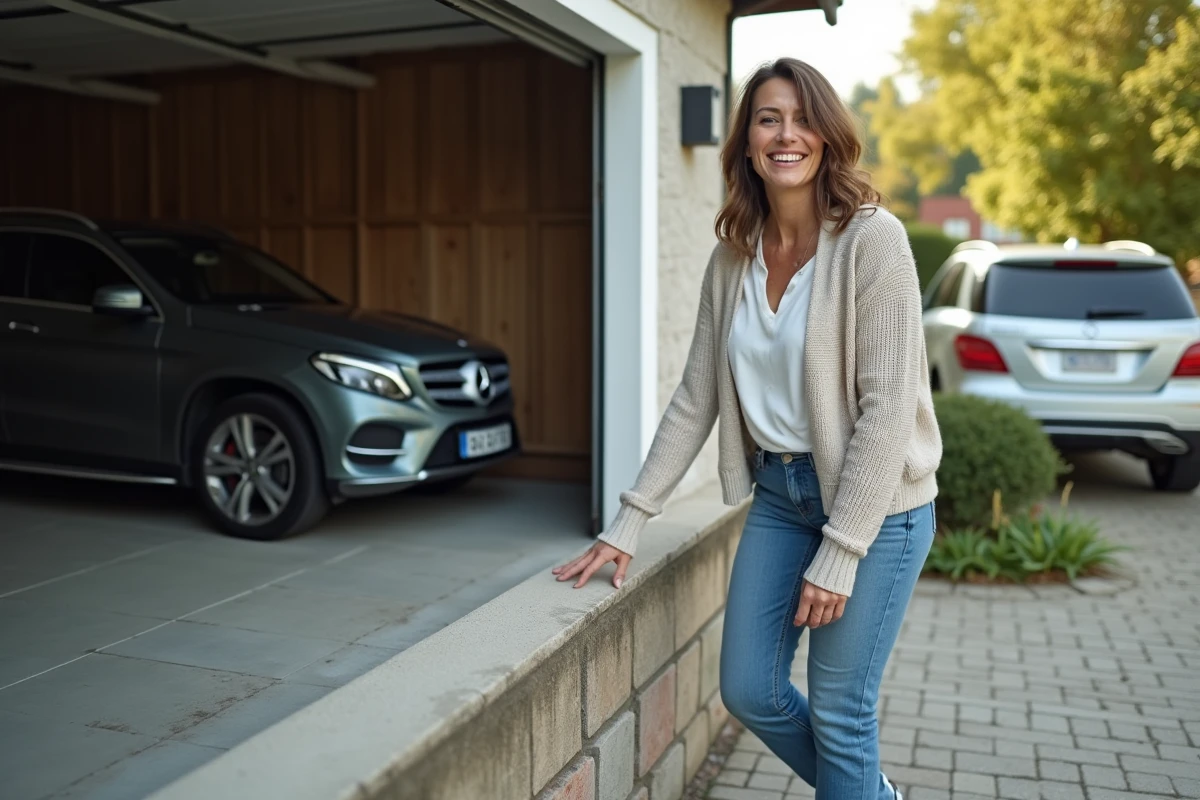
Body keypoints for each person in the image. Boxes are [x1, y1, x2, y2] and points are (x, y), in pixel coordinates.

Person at [552, 57, 941, 799]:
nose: (785, 134)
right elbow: (696, 397)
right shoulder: (732, 257)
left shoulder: (872, 240)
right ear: (748, 142)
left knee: (840, 713)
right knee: (750, 689)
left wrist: (843, 549)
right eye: (768, 118)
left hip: (879, 509)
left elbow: (888, 408)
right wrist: (627, 522)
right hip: (782, 494)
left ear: (827, 136)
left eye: (801, 118)